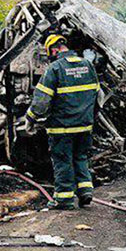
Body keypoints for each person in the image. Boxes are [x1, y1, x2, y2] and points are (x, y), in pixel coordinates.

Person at [28, 34, 99, 210]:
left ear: (54, 50)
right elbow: (98, 96)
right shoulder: (87, 65)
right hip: (85, 125)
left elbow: (41, 101)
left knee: (63, 161)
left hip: (62, 127)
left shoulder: (54, 69)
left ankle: (64, 199)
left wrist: (31, 118)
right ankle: (85, 192)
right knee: (81, 157)